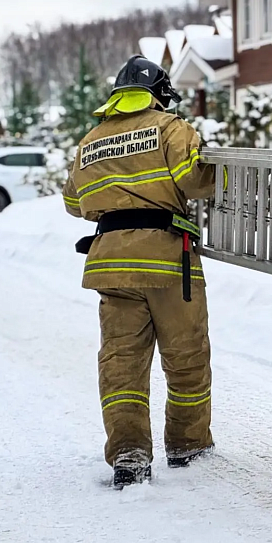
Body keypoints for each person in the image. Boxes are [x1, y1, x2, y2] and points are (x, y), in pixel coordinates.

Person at [62, 55, 218, 489]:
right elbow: (196, 181)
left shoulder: (90, 139)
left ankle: (129, 454)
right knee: (186, 358)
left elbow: (75, 202)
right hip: (166, 260)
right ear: (159, 95)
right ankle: (188, 444)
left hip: (110, 264)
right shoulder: (171, 128)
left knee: (122, 364)